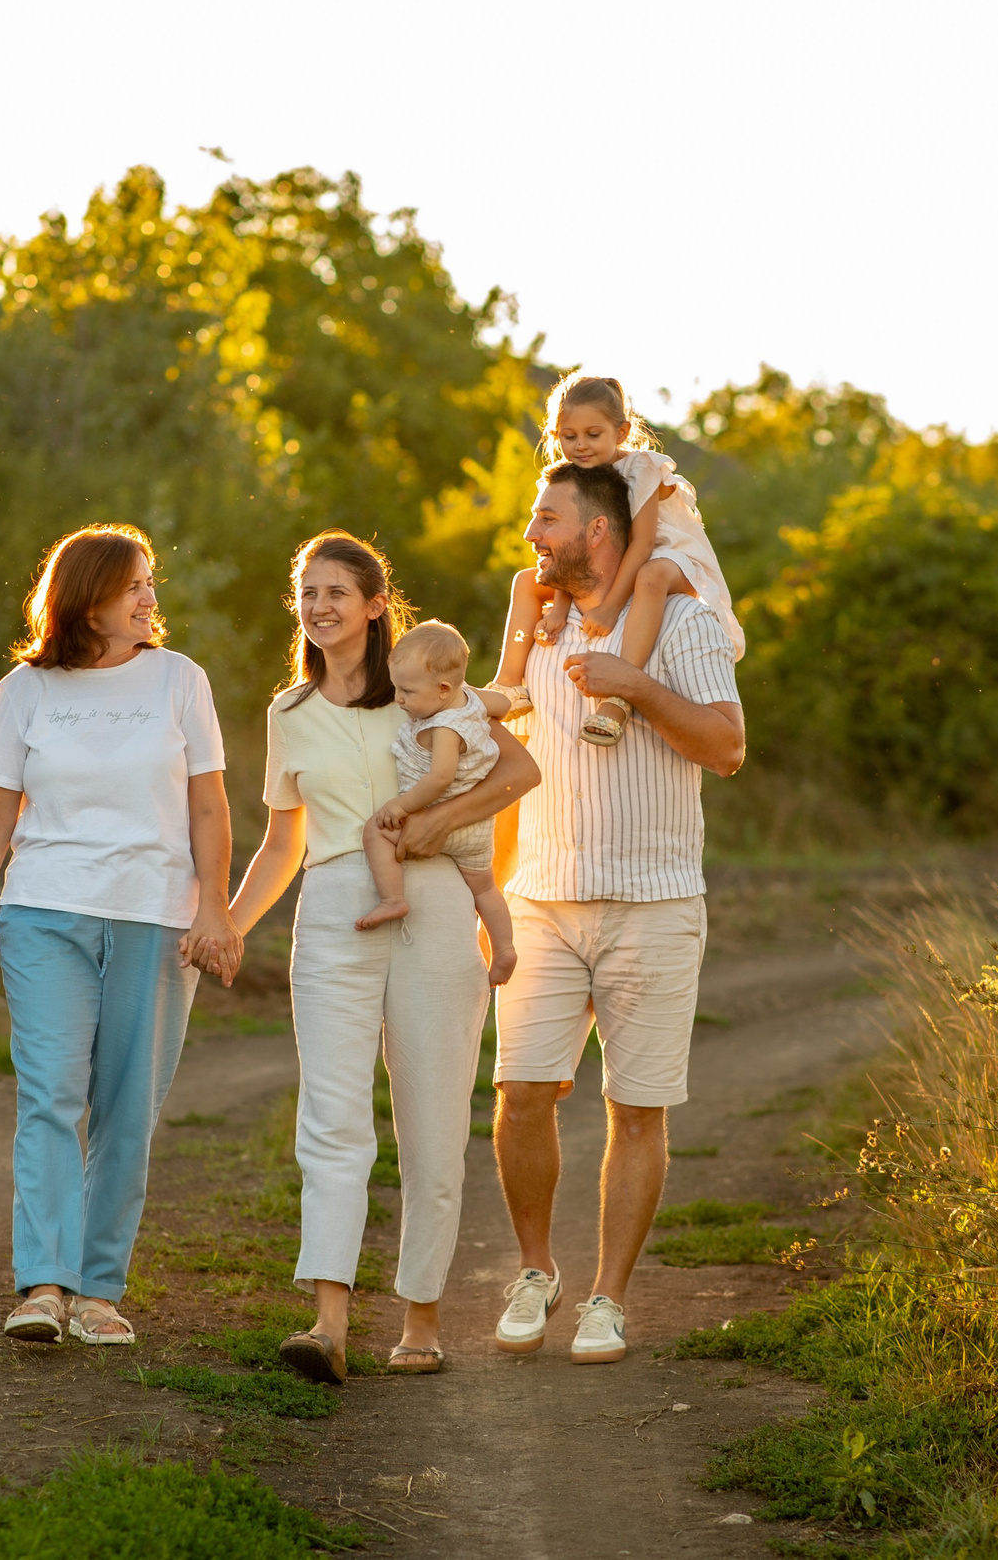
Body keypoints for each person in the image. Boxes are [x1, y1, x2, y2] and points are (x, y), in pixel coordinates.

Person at [226, 533, 540, 1384]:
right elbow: (282, 840)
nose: (319, 605)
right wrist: (229, 922)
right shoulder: (287, 713)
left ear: (374, 603)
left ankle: (422, 1315)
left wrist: (440, 824)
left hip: (434, 903)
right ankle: (327, 1320)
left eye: (337, 591)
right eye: (306, 591)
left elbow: (519, 770)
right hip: (332, 906)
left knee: (434, 1116)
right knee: (331, 1118)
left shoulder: (427, 690)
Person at [0, 525, 241, 1348]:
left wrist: (215, 904)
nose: (152, 598)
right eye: (135, 586)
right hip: (45, 909)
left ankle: (100, 1288)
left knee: (126, 1107)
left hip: (155, 913)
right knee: (49, 1095)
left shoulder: (180, 681)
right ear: (88, 597)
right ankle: (44, 1283)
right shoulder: (25, 690)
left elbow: (209, 805)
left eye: (152, 583)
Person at [489, 461, 745, 1366]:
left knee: (635, 1108)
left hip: (656, 899)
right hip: (543, 900)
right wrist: (493, 893)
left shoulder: (681, 619)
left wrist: (633, 686)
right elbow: (507, 754)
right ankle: (534, 1271)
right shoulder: (538, 624)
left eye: (545, 519)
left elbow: (727, 744)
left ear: (599, 530)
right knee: (521, 1094)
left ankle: (607, 1297)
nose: (532, 536)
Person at [487, 373, 743, 747]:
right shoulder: (570, 475)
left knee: (651, 577)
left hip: (668, 554)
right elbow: (570, 554)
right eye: (568, 436)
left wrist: (610, 609)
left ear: (621, 433)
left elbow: (641, 546)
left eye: (593, 435)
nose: (580, 446)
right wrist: (559, 606)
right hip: (616, 558)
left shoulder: (642, 469)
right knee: (528, 580)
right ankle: (509, 686)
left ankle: (619, 695)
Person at [354, 620, 519, 985]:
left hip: (440, 819)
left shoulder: (444, 726)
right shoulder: (470, 700)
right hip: (477, 828)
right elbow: (503, 703)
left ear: (443, 689)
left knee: (374, 832)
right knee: (485, 888)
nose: (399, 699)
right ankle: (504, 947)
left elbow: (441, 777)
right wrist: (507, 702)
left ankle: (392, 898)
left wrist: (401, 807)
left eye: (407, 692)